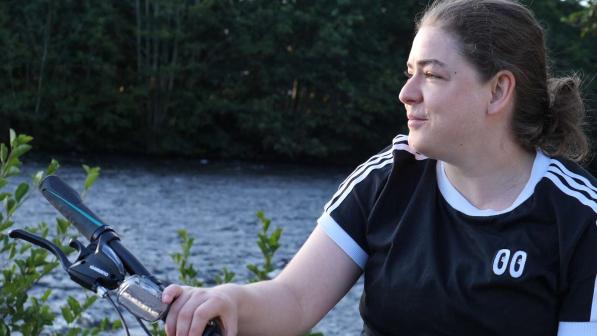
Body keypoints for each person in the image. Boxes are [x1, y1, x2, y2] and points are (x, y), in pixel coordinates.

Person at [162, 0, 597, 335]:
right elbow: (293, 299)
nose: (407, 93)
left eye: (432, 75)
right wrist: (229, 301)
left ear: (498, 91)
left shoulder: (580, 218)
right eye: (410, 72)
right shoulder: (387, 179)